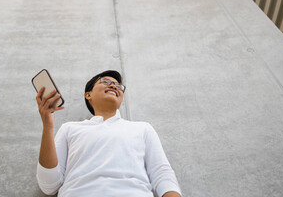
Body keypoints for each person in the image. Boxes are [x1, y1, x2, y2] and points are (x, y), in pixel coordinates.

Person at [35, 70, 182, 197]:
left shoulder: (143, 129)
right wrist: (47, 126)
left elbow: (162, 175)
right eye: (105, 81)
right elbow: (49, 186)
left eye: (119, 86)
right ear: (88, 95)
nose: (113, 85)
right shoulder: (70, 129)